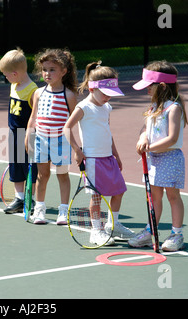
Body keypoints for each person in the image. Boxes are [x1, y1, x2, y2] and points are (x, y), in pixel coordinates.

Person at [64, 61, 135, 245]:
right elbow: (66, 128)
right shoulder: (84, 107)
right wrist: (77, 150)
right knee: (96, 197)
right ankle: (96, 231)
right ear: (91, 88)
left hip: (108, 159)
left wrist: (116, 155)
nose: (108, 98)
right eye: (105, 93)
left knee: (119, 191)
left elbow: (107, 132)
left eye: (111, 94)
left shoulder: (107, 107)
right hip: (93, 160)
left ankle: (113, 225)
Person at [129, 60, 188, 252]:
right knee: (154, 197)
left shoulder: (174, 108)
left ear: (161, 86)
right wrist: (143, 137)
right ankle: (150, 231)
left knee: (172, 196)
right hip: (154, 159)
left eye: (149, 86)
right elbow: (144, 128)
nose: (146, 90)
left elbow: (172, 138)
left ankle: (176, 234)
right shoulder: (154, 107)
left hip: (170, 158)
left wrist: (150, 147)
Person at [25, 48, 78, 225]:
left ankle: (64, 211)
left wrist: (75, 145)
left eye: (52, 69)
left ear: (64, 71)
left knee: (62, 175)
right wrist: (28, 137)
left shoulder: (69, 95)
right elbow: (33, 117)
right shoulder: (38, 93)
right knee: (42, 175)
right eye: (44, 69)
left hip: (60, 142)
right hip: (40, 140)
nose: (47, 73)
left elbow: (72, 121)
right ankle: (39, 210)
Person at [0, 48, 38, 213]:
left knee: (30, 167)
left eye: (6, 75)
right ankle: (19, 198)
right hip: (13, 134)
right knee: (15, 166)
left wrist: (30, 135)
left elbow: (35, 116)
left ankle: (31, 199)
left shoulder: (33, 90)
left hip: (29, 136)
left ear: (14, 74)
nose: (5, 78)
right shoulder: (14, 85)